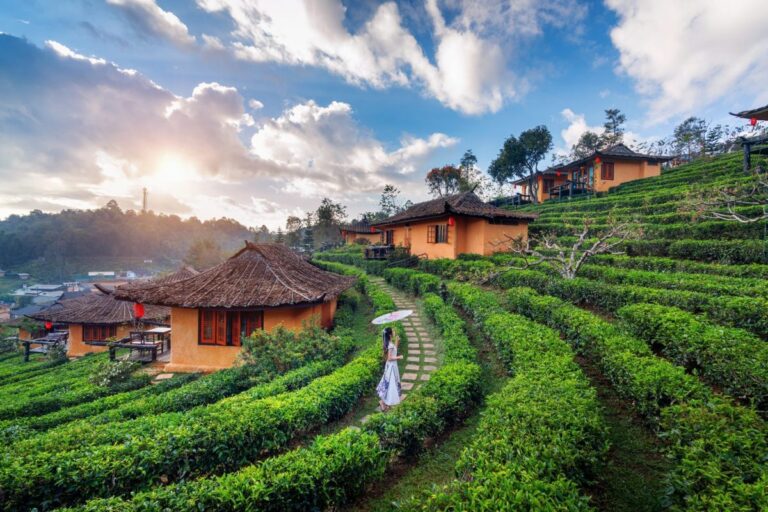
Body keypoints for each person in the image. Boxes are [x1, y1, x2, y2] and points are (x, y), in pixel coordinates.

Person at [377, 328, 402, 411]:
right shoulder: (390, 345)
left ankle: (384, 402)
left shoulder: (390, 343)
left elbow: (393, 351)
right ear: (390, 335)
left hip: (391, 366)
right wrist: (399, 357)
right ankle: (385, 402)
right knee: (391, 384)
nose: (394, 331)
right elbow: (390, 358)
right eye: (393, 331)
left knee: (389, 383)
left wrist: (397, 342)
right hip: (391, 366)